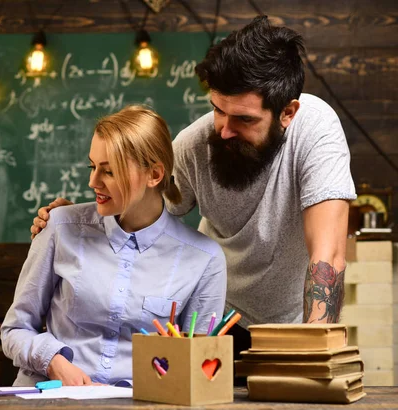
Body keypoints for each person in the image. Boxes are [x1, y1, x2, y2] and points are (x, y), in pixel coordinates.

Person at [30, 16, 356, 364]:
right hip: (214, 321)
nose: (224, 130)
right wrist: (79, 218)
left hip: (292, 327)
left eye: (244, 119)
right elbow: (143, 213)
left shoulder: (317, 132)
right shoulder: (193, 146)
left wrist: (314, 355)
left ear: (287, 112)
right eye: (218, 110)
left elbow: (328, 254)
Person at [1, 105, 227, 386]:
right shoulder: (59, 226)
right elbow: (15, 329)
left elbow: (202, 367)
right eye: (92, 166)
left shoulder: (204, 260)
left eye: (108, 172)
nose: (92, 181)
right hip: (51, 396)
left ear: (154, 175)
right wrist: (55, 363)